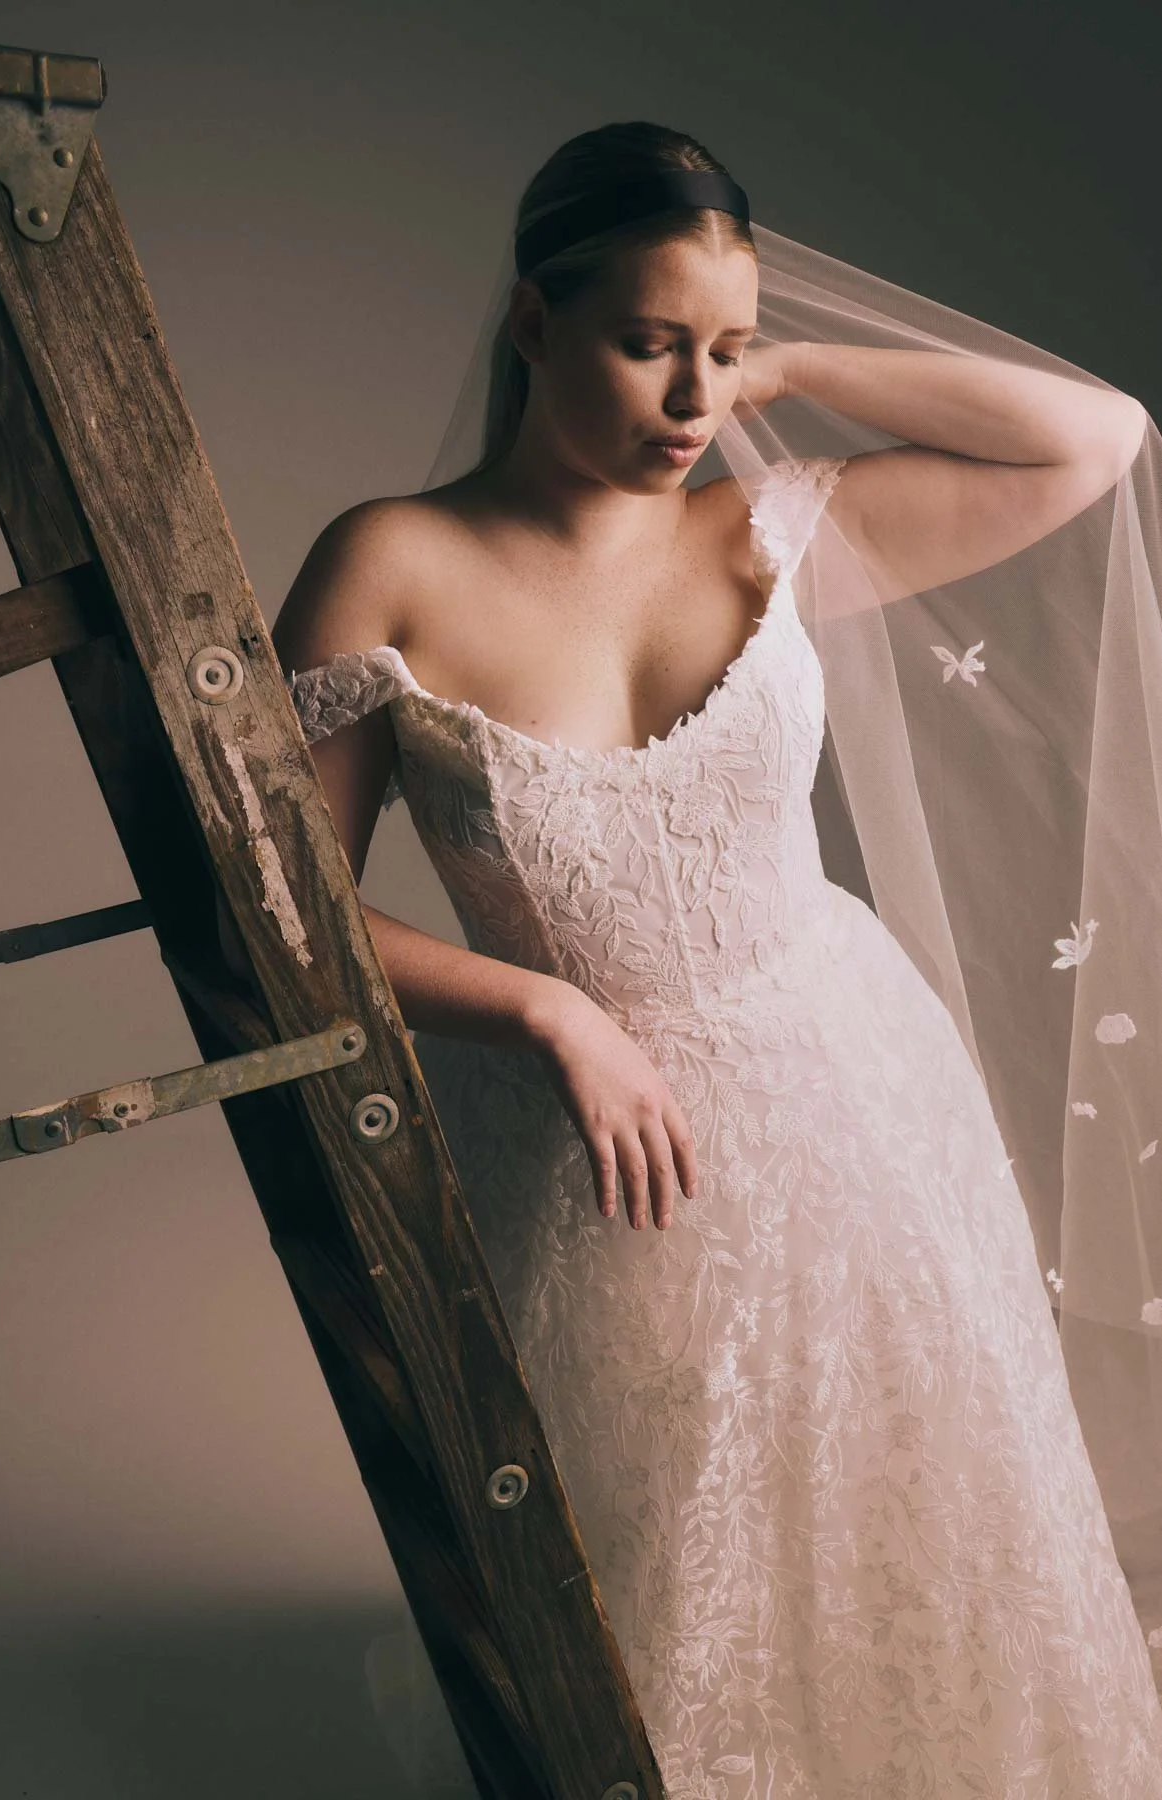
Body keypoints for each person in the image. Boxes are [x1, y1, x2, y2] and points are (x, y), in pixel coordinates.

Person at [269, 122, 1162, 1796]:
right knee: (671, 1593)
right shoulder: (389, 560)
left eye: (722, 356)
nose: (691, 403)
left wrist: (784, 360)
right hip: (596, 1158)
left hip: (855, 1102)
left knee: (918, 1542)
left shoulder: (767, 529)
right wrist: (545, 1011)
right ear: (531, 323)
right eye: (645, 342)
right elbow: (285, 908)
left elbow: (1100, 436)